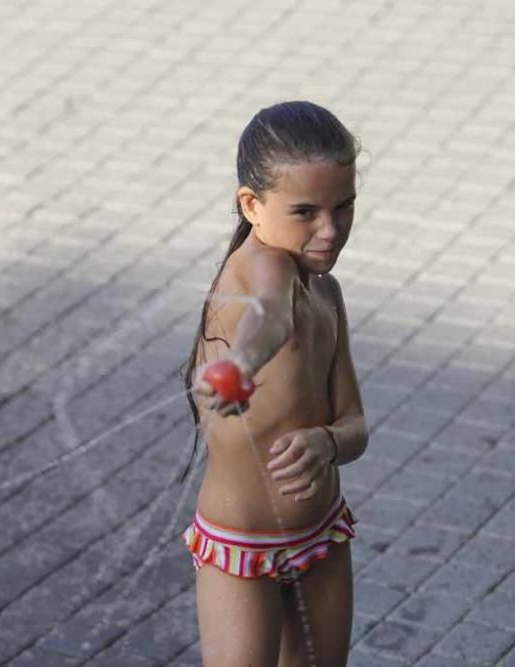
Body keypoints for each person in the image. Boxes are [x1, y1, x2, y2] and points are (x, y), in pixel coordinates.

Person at [179, 100, 369, 666]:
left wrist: (328, 442)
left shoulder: (328, 296)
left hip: (322, 537)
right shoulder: (264, 267)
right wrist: (240, 365)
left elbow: (356, 425)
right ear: (251, 206)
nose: (330, 231)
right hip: (240, 547)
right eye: (306, 212)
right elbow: (270, 315)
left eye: (345, 206)